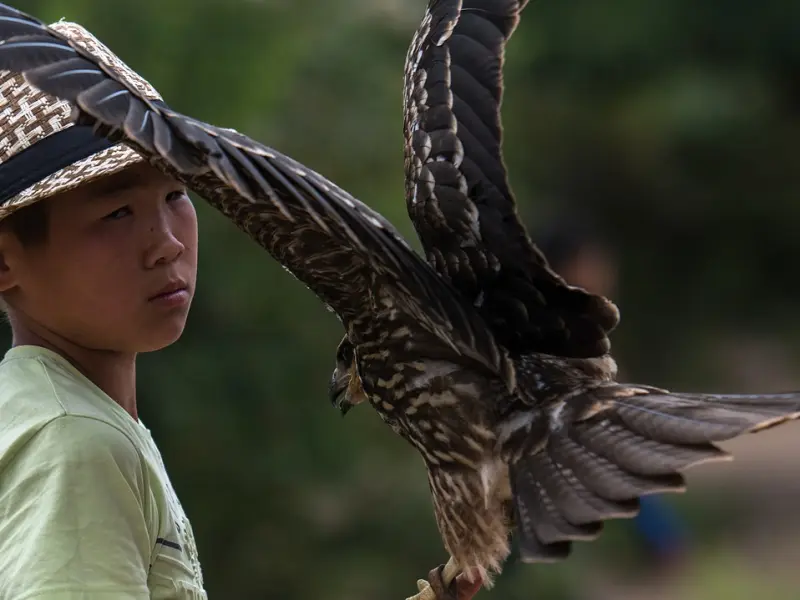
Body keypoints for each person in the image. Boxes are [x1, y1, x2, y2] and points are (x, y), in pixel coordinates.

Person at [0, 21, 206, 598]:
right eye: (116, 213)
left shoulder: (50, 410)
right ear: (3, 263)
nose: (168, 242)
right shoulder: (75, 440)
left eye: (175, 196)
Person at [537, 215, 692, 574]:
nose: (607, 274)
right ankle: (664, 546)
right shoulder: (553, 332)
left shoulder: (583, 325)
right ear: (568, 268)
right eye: (595, 263)